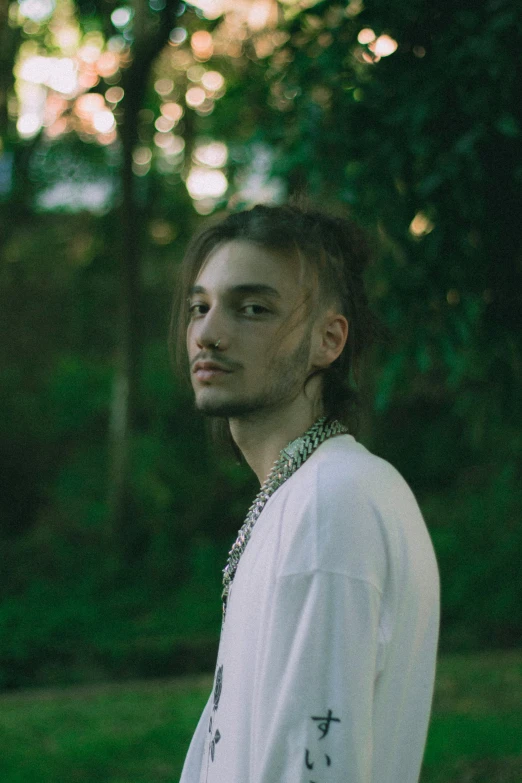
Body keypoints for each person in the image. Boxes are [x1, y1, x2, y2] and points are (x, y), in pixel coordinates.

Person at [170, 203, 440, 783]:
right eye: (200, 307)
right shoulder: (312, 492)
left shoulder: (328, 504)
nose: (208, 334)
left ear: (328, 339)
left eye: (253, 309)